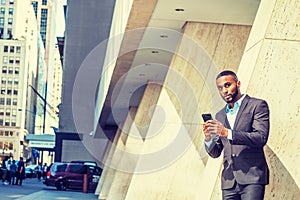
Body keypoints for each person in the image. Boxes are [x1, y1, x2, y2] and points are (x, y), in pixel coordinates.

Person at [203, 70, 270, 200]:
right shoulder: (220, 115)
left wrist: (227, 132)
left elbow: (261, 137)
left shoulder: (257, 105)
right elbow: (216, 152)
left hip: (252, 177)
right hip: (228, 181)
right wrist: (208, 138)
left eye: (228, 85)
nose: (224, 91)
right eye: (220, 88)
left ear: (238, 83)